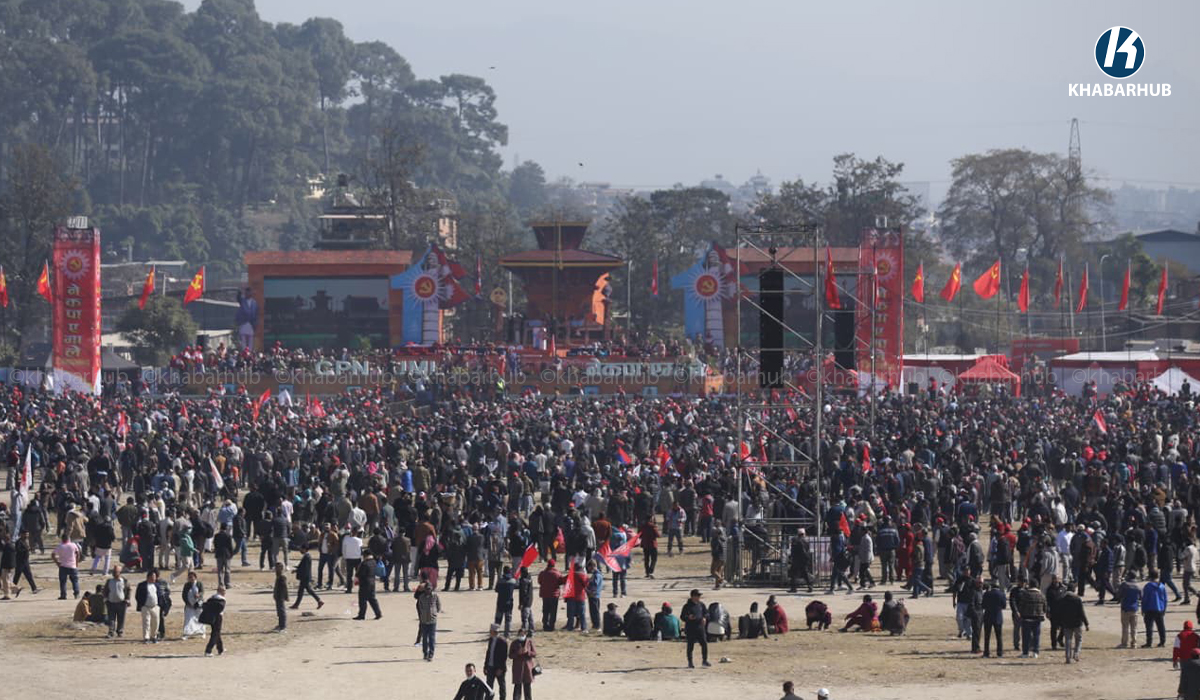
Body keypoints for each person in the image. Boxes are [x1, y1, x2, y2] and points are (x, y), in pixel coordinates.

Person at [1056, 590, 1089, 664]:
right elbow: (1082, 612)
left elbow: (1059, 613)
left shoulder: (1062, 600)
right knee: (1078, 639)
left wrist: (1058, 624)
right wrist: (1086, 623)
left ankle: (1068, 658)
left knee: (1068, 640)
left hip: (1066, 623)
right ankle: (1076, 653)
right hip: (1077, 623)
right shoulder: (1077, 599)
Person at [681, 588, 710, 668]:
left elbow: (707, 613)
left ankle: (704, 660)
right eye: (697, 596)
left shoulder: (701, 605)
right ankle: (690, 662)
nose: (699, 597)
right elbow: (682, 617)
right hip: (691, 628)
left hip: (700, 627)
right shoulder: (687, 606)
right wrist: (688, 617)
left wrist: (704, 618)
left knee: (704, 644)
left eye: (699, 596)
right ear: (693, 596)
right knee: (690, 645)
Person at [1017, 579, 1047, 658]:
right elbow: (1045, 607)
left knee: (1026, 636)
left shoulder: (1025, 594)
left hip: (1026, 618)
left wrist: (1021, 613)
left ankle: (1025, 653)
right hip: (1037, 618)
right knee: (1036, 636)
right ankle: (1035, 652)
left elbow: (1021, 606)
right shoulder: (1041, 595)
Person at [416, 574, 442, 661]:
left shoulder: (435, 596)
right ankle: (425, 653)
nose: (428, 590)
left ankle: (431, 654)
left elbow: (438, 605)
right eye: (427, 589)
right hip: (424, 620)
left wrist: (435, 613)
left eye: (430, 589)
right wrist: (422, 614)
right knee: (424, 638)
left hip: (432, 620)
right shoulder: (421, 597)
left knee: (432, 638)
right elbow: (420, 606)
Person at [292, 543, 324, 610]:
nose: (300, 550)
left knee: (301, 591)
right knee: (307, 590)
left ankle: (296, 605)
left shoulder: (307, 557)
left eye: (301, 549)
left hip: (305, 577)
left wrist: (296, 570)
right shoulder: (306, 556)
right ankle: (319, 601)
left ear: (304, 549)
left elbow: (304, 568)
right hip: (305, 577)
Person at [1142, 569, 1168, 648]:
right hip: (1160, 608)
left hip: (1149, 608)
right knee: (1161, 626)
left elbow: (1145, 599)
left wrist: (1143, 609)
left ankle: (1149, 642)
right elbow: (1165, 599)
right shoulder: (1162, 586)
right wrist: (1164, 608)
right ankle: (1162, 641)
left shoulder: (1148, 586)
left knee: (1149, 627)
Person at [508, 629, 537, 700]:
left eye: (522, 634)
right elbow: (510, 655)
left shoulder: (529, 642)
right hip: (517, 668)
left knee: (527, 688)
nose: (521, 636)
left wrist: (527, 652)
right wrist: (517, 653)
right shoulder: (514, 643)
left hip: (527, 668)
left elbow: (534, 654)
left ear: (525, 634)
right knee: (517, 688)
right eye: (520, 634)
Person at [103, 565, 130, 638]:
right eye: (113, 572)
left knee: (121, 618)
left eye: (116, 572)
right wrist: (105, 599)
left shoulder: (124, 581)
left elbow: (128, 590)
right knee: (111, 618)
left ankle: (120, 631)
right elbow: (105, 590)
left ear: (120, 572)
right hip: (111, 603)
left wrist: (127, 599)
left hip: (121, 603)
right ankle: (111, 632)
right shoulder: (109, 581)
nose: (114, 573)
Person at [135, 569, 161, 644]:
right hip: (146, 607)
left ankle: (154, 637)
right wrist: (142, 604)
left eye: (155, 577)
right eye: (152, 577)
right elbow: (137, 596)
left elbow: (159, 595)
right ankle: (146, 638)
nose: (154, 579)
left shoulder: (157, 585)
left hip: (155, 606)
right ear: (148, 577)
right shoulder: (142, 585)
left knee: (156, 622)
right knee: (146, 622)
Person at [537, 560, 564, 632]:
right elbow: (561, 581)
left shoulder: (542, 573)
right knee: (553, 611)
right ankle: (552, 626)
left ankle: (545, 625)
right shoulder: (557, 573)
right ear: (554, 565)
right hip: (554, 595)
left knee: (545, 611)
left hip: (545, 595)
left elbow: (539, 581)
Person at [52, 533, 81, 600]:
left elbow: (53, 555)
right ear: (69, 539)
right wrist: (76, 562)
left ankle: (63, 595)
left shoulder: (60, 546)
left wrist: (57, 562)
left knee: (63, 582)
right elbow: (78, 554)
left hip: (63, 566)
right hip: (72, 565)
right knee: (75, 580)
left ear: (62, 539)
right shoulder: (73, 545)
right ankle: (76, 593)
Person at [981, 582, 1007, 657]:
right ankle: (999, 652)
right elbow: (1004, 606)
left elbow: (983, 605)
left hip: (988, 616)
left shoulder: (986, 594)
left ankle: (986, 652)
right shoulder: (1002, 594)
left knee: (987, 636)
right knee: (999, 636)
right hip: (998, 616)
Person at [484, 624, 509, 700]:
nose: (490, 632)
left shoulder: (503, 641)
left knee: (502, 686)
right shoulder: (491, 640)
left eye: (491, 631)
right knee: (488, 686)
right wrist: (485, 666)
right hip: (490, 666)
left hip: (499, 668)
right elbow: (488, 653)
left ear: (494, 631)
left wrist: (501, 668)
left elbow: (504, 657)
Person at [1117, 571, 1141, 649]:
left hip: (1125, 608)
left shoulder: (1124, 585)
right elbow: (1141, 597)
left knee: (1125, 627)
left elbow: (1118, 595)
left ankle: (1124, 643)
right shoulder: (1138, 586)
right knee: (1134, 627)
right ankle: (1134, 643)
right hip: (1135, 608)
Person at [354, 555, 382, 620]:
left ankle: (361, 615)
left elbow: (360, 573)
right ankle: (378, 613)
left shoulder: (364, 563)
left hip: (365, 583)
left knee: (362, 600)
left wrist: (357, 578)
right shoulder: (374, 562)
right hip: (372, 582)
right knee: (372, 599)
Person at [201, 586, 227, 656]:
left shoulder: (212, 598)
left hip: (212, 617)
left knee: (217, 633)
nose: (225, 592)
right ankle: (208, 650)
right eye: (223, 591)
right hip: (218, 617)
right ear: (220, 591)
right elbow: (220, 609)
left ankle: (220, 649)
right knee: (215, 634)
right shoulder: (221, 599)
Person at [181, 571, 206, 639]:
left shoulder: (199, 584)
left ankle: (202, 632)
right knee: (188, 619)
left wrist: (199, 595)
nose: (191, 579)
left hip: (198, 604)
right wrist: (187, 603)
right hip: (189, 605)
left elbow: (202, 592)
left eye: (192, 577)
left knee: (200, 618)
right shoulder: (187, 585)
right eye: (189, 577)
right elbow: (184, 595)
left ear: (195, 577)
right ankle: (187, 633)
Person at [494, 566, 517, 636]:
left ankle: (494, 634)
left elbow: (496, 590)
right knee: (508, 620)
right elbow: (516, 586)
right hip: (509, 603)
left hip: (500, 602)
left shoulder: (500, 580)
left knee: (497, 620)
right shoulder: (513, 581)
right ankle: (507, 634)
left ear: (503, 572)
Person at [272, 562, 289, 632]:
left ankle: (283, 626)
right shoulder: (278, 576)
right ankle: (280, 625)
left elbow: (285, 588)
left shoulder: (282, 577)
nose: (276, 569)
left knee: (282, 611)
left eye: (277, 568)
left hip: (281, 596)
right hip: (278, 596)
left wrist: (286, 596)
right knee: (279, 612)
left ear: (281, 568)